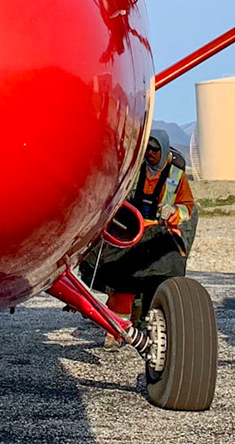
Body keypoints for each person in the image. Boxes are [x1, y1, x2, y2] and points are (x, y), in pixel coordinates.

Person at [84, 129, 198, 324]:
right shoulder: (135, 171)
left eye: (155, 149)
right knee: (120, 278)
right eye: (148, 148)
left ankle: (148, 319)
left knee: (159, 277)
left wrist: (173, 212)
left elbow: (188, 208)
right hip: (132, 231)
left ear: (163, 150)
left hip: (160, 234)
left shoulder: (177, 177)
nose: (150, 153)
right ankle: (118, 327)